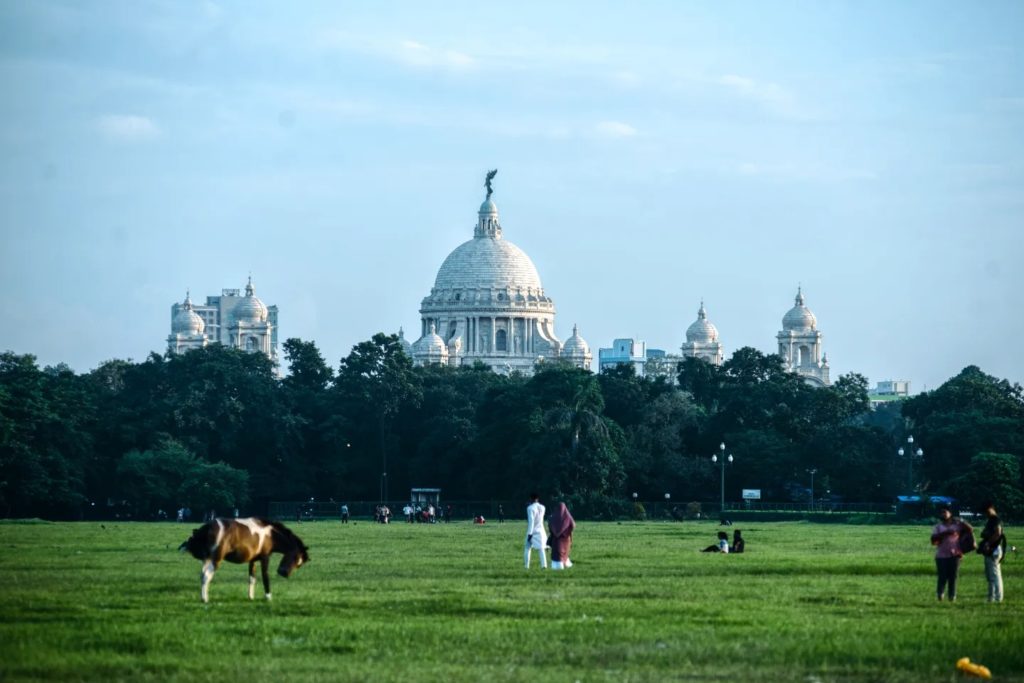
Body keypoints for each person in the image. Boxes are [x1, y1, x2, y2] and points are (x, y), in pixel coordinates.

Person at [931, 506, 969, 601]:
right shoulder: (938, 527)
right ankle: (940, 595)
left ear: (950, 513)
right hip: (941, 555)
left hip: (955, 554)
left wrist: (961, 521)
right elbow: (933, 541)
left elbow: (970, 530)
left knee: (953, 577)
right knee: (942, 576)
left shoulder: (957, 525)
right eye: (941, 512)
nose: (943, 514)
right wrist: (945, 533)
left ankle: (952, 597)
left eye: (945, 512)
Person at [978, 501, 1005, 603]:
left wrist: (987, 543)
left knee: (994, 575)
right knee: (990, 576)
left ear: (991, 508)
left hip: (993, 549)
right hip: (991, 550)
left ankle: (997, 598)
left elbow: (997, 533)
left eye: (987, 510)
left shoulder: (995, 520)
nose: (986, 513)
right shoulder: (991, 520)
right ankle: (991, 598)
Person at [548, 502, 575, 570]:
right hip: (566, 540)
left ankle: (558, 567)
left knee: (557, 554)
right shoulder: (568, 516)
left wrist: (554, 533)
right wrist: (568, 532)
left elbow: (550, 526)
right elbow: (573, 525)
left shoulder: (553, 517)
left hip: (556, 540)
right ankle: (565, 566)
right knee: (565, 554)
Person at [524, 493, 547, 569]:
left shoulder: (530, 508)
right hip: (540, 530)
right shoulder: (543, 507)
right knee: (541, 548)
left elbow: (531, 522)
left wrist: (529, 534)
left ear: (531, 499)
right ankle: (544, 566)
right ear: (538, 498)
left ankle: (526, 566)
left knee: (527, 548)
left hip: (532, 531)